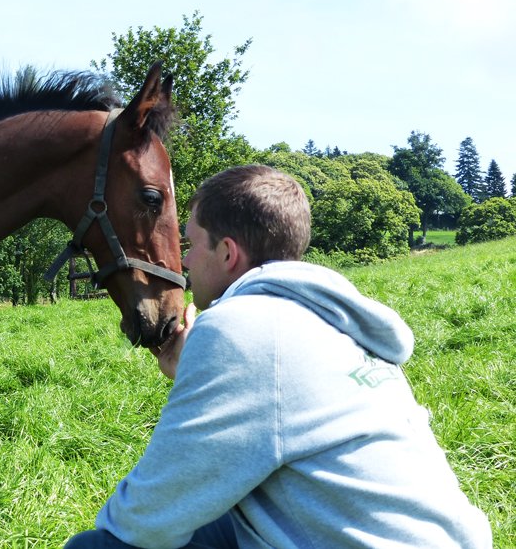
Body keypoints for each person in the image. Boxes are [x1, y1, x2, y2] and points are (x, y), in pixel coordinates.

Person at [66, 165, 492, 549]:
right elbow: (279, 412)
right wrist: (193, 365)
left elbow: (145, 519)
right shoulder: (331, 318)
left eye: (191, 244)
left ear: (228, 253)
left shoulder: (240, 326)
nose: (186, 261)